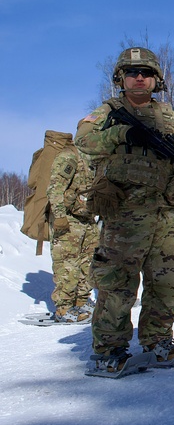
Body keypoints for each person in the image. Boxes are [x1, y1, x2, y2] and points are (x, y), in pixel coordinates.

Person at [76, 46, 174, 372]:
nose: (139, 78)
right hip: (124, 208)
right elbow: (84, 140)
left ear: (156, 80)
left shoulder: (167, 115)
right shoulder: (108, 111)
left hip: (165, 209)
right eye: (132, 73)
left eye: (146, 73)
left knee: (166, 279)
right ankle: (110, 349)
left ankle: (159, 340)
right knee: (118, 283)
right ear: (120, 78)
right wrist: (124, 132)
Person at [46, 135, 99, 322]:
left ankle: (81, 302)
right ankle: (64, 308)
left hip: (86, 217)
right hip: (68, 218)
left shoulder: (92, 159)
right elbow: (54, 188)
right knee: (68, 264)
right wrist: (59, 216)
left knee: (89, 261)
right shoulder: (69, 156)